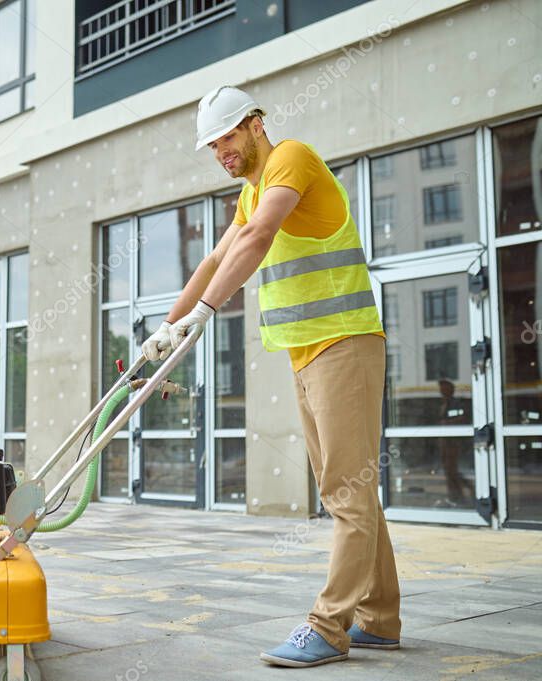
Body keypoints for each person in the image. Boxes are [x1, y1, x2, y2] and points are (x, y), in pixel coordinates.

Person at [141, 85, 401, 667]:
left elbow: (258, 239)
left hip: (344, 342)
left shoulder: (291, 159)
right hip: (306, 352)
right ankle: (380, 619)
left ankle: (329, 627)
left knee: (344, 492)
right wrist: (166, 326)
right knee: (352, 489)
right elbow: (214, 259)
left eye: (227, 137)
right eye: (212, 145)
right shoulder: (250, 190)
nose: (220, 152)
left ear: (256, 124)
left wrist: (206, 314)